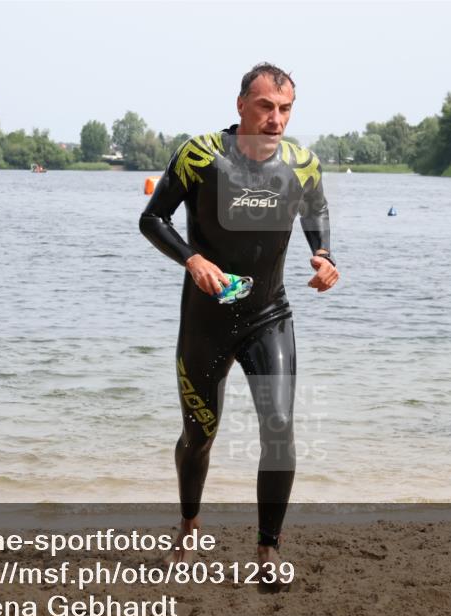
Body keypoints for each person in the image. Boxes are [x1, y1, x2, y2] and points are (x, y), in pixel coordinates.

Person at [139, 63, 339, 574]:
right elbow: (152, 218)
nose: (277, 119)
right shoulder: (201, 155)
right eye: (267, 107)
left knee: (279, 427)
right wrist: (192, 258)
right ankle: (189, 523)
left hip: (268, 315)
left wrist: (324, 256)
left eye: (286, 109)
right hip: (205, 321)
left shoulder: (301, 163)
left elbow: (316, 213)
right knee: (198, 437)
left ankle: (267, 548)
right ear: (241, 105)